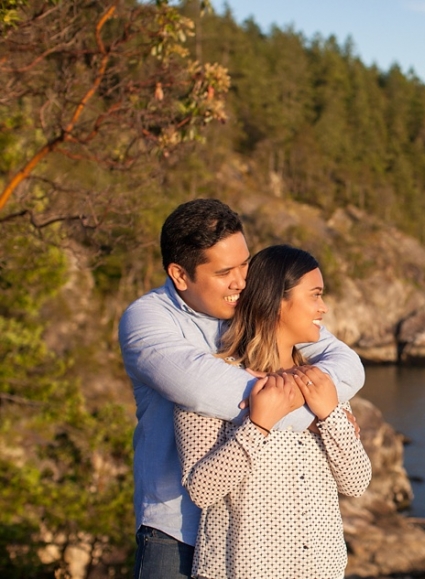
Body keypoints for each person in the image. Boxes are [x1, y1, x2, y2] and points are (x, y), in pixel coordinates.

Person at [119, 199, 365, 579]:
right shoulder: (148, 321)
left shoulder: (256, 308)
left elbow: (345, 365)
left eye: (245, 265)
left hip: (266, 542)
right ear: (180, 275)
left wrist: (327, 405)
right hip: (176, 531)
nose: (241, 281)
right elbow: (207, 389)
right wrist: (314, 413)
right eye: (224, 272)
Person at [174, 245, 371, 579]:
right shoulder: (213, 383)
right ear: (276, 302)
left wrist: (330, 416)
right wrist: (258, 424)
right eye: (315, 295)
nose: (323, 308)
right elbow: (201, 490)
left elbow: (356, 482)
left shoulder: (319, 382)